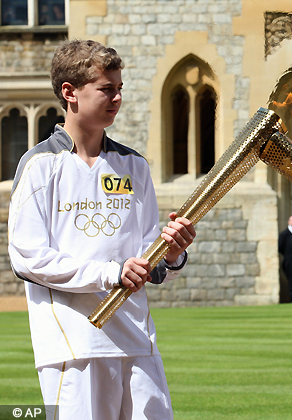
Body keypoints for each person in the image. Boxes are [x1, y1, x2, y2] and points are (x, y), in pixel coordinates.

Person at [8, 40, 196, 420]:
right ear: (69, 92)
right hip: (72, 344)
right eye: (106, 89)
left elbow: (147, 259)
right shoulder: (40, 165)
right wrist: (109, 273)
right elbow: (28, 257)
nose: (116, 98)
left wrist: (170, 255)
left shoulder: (134, 165)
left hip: (137, 340)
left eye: (119, 88)